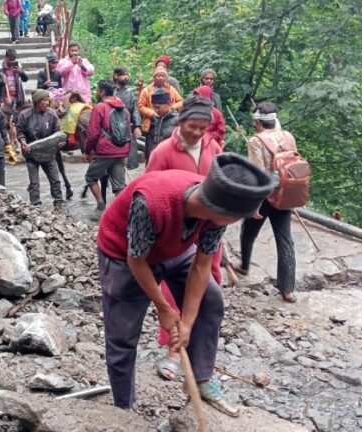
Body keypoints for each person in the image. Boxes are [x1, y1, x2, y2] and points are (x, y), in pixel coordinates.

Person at [97, 154, 274, 413]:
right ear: (226, 213)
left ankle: (202, 380)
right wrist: (164, 308)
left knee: (210, 300)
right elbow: (137, 261)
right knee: (122, 337)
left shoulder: (216, 214)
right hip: (124, 254)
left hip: (176, 247)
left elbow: (202, 266)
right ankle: (124, 408)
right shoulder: (151, 201)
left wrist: (187, 323)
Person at [144, 96, 226, 391]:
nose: (197, 133)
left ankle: (203, 369)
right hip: (175, 234)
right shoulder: (164, 151)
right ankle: (173, 351)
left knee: (209, 289)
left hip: (208, 229)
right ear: (181, 123)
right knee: (174, 289)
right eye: (192, 126)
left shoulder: (213, 147)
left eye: (203, 128)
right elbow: (148, 192)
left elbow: (219, 183)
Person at [233, 102, 297, 303]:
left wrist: (254, 204)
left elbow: (257, 173)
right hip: (285, 194)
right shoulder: (288, 137)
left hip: (265, 196)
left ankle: (244, 265)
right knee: (285, 240)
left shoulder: (255, 141)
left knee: (248, 231)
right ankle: (288, 289)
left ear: (258, 122)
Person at [84, 80, 130, 219]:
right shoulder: (124, 108)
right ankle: (125, 214)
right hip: (121, 150)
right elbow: (129, 131)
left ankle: (101, 206)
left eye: (98, 90)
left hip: (105, 152)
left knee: (90, 177)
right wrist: (127, 151)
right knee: (120, 186)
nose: (97, 92)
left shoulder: (99, 108)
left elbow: (93, 134)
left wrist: (87, 151)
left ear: (102, 92)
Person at [17, 89, 64, 207]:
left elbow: (57, 133)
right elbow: (20, 132)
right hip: (31, 152)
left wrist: (59, 142)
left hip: (48, 153)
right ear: (37, 102)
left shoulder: (52, 114)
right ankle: (35, 204)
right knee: (34, 183)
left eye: (48, 100)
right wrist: (23, 143)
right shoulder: (25, 115)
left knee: (55, 180)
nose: (47, 103)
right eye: (44, 100)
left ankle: (58, 202)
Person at [113, 67, 143, 170]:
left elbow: (135, 109)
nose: (126, 77)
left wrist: (137, 126)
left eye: (127, 75)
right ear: (116, 76)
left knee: (129, 161)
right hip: (111, 128)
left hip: (127, 128)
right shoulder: (109, 90)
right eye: (123, 74)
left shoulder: (129, 93)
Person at [138, 66, 183, 134]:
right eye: (158, 76)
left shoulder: (171, 89)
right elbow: (140, 106)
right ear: (154, 77)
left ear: (166, 78)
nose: (161, 78)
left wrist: (172, 107)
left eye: (163, 76)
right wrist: (153, 113)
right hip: (151, 124)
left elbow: (181, 101)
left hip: (168, 122)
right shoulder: (146, 90)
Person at [143, 88, 179, 162]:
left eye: (158, 107)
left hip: (171, 159)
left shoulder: (177, 120)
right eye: (154, 107)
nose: (155, 110)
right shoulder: (156, 119)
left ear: (168, 103)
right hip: (158, 157)